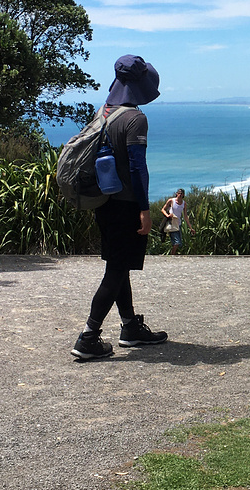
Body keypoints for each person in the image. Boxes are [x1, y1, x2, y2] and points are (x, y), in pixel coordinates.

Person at [72, 55, 169, 360]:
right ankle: (88, 336)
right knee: (115, 270)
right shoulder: (135, 118)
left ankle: (130, 327)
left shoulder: (104, 113)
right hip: (126, 205)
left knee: (119, 265)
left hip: (104, 202)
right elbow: (138, 168)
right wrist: (144, 210)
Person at [161, 188, 187, 255]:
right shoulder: (171, 201)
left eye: (181, 193)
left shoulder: (184, 204)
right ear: (176, 194)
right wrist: (167, 215)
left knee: (179, 243)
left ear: (183, 195)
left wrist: (191, 228)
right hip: (172, 223)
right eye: (179, 193)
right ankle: (173, 255)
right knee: (176, 242)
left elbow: (185, 216)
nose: (180, 195)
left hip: (178, 224)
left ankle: (173, 254)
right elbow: (163, 209)